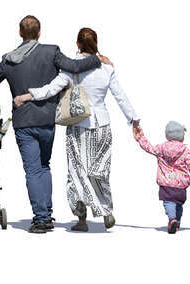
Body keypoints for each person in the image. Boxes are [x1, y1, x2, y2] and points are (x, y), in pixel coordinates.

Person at [0, 16, 112, 234]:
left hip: (24, 122)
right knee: (44, 167)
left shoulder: (9, 60)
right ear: (39, 33)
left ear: (19, 33)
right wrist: (97, 59)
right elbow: (74, 66)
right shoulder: (51, 51)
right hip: (47, 121)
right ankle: (46, 212)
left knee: (33, 170)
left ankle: (42, 218)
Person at [14, 28, 140, 232]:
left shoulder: (70, 68)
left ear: (78, 44)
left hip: (78, 126)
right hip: (103, 126)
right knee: (100, 171)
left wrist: (27, 96)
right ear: (96, 42)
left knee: (77, 173)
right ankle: (106, 211)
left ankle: (82, 221)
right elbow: (120, 96)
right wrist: (134, 121)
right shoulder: (106, 68)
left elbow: (51, 89)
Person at [133, 121, 190, 234]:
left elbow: (148, 147)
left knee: (168, 202)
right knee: (178, 204)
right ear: (182, 137)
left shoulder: (161, 148)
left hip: (166, 183)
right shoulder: (186, 151)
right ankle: (177, 222)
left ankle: (172, 219)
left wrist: (140, 137)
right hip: (181, 185)